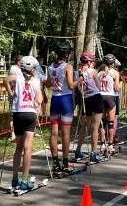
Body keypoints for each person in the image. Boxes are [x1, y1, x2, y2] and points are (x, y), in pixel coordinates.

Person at [3, 55, 43, 193]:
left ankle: (15, 179)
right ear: (31, 69)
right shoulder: (36, 81)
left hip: (18, 113)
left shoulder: (17, 77)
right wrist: (37, 100)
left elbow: (5, 80)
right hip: (30, 114)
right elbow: (39, 99)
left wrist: (10, 93)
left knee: (18, 148)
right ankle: (25, 180)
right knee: (28, 148)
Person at [47, 41, 80, 175]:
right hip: (65, 99)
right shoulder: (68, 66)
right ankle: (65, 162)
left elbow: (48, 84)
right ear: (66, 55)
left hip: (55, 99)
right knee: (66, 133)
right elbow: (71, 85)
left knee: (54, 132)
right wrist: (81, 79)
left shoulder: (50, 67)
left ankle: (55, 163)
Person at [74, 51, 103, 163]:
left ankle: (78, 150)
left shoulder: (79, 73)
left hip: (86, 99)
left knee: (85, 126)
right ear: (90, 62)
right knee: (95, 127)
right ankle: (94, 153)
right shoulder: (93, 71)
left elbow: (78, 87)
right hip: (96, 97)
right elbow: (99, 86)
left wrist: (84, 93)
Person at [98, 54, 122, 155]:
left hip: (100, 97)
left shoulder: (99, 72)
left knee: (102, 122)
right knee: (111, 122)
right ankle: (110, 145)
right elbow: (117, 88)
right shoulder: (115, 73)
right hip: (110, 97)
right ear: (113, 63)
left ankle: (102, 144)